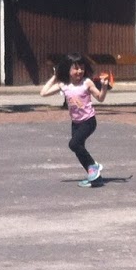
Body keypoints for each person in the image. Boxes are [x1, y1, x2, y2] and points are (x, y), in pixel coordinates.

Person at [39, 53, 112, 186]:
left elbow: (100, 98)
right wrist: (55, 76)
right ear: (68, 69)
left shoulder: (87, 83)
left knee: (73, 144)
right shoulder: (64, 84)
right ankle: (95, 179)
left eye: (82, 68)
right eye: (76, 68)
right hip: (76, 123)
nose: (79, 71)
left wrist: (104, 87)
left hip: (88, 121)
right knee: (79, 149)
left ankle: (93, 166)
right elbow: (43, 93)